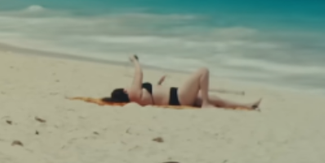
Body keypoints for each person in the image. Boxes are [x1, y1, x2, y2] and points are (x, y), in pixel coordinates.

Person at [104, 55, 261, 109]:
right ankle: (205, 104)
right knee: (203, 71)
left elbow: (156, 95)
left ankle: (247, 106)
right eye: (125, 87)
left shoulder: (139, 98)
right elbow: (139, 73)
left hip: (179, 97)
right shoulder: (134, 94)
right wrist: (134, 60)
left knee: (217, 99)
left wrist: (158, 82)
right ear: (125, 92)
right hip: (179, 97)